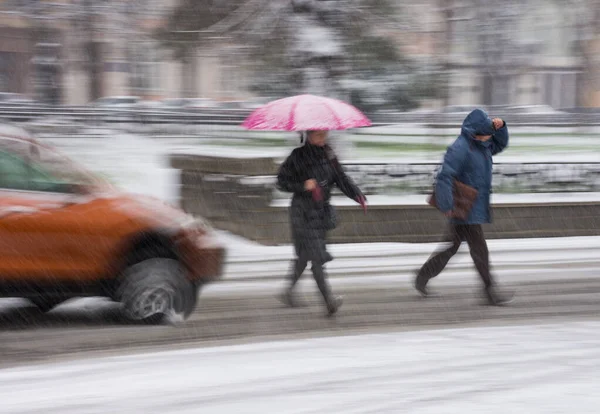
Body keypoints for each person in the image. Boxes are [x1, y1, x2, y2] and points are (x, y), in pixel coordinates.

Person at [415, 108, 514, 306]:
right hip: (463, 207)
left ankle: (422, 276)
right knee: (479, 249)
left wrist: (501, 126)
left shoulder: (483, 145)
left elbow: (501, 145)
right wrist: (447, 204)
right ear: (477, 131)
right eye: (487, 132)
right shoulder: (461, 147)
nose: (490, 136)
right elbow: (444, 176)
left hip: (473, 206)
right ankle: (489, 291)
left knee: (452, 246)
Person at [276, 130, 367, 315]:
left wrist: (357, 194)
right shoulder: (297, 156)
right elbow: (281, 181)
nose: (322, 137)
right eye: (318, 134)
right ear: (308, 135)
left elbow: (341, 179)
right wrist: (303, 185)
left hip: (320, 213)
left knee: (305, 255)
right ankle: (329, 301)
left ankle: (288, 291)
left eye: (324, 134)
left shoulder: (329, 155)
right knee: (317, 258)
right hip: (302, 214)